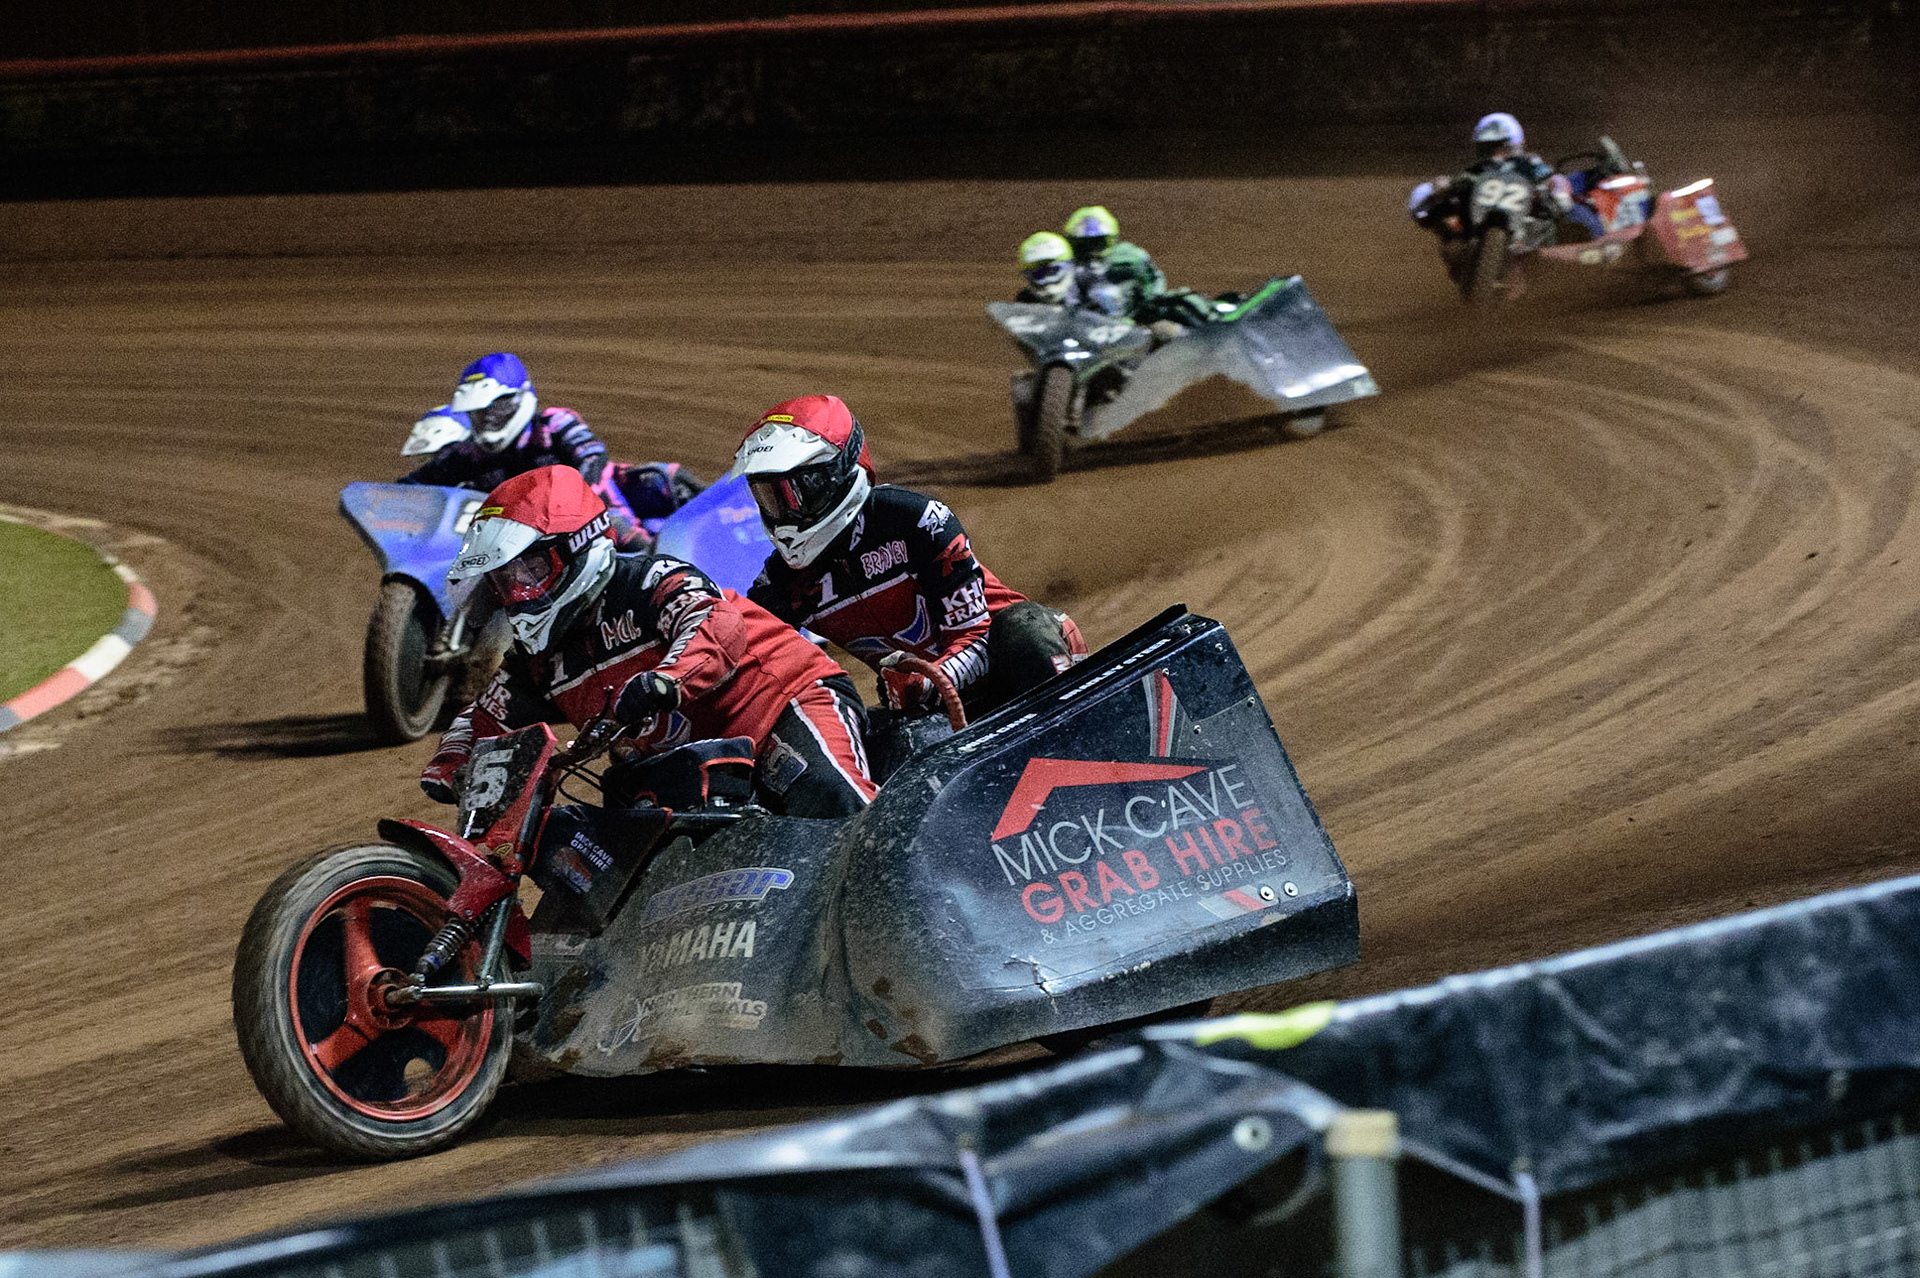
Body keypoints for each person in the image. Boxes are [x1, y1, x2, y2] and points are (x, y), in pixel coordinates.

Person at [419, 465, 876, 818]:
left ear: (576, 548)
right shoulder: (535, 660)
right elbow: (485, 715)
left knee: (835, 803)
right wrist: (451, 762)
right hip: (683, 765)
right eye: (505, 579)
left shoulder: (649, 579)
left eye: (532, 570)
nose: (519, 591)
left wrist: (666, 679)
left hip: (781, 707)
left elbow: (715, 625)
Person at [737, 395, 1085, 720]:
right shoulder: (783, 581)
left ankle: (1079, 739)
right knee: (864, 726)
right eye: (769, 498)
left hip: (1019, 660)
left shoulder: (914, 520)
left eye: (793, 494)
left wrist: (927, 682)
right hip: (934, 704)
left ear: (835, 476)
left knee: (1022, 627)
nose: (783, 514)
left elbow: (978, 636)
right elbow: (744, 657)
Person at [396, 352, 703, 550]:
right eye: (479, 412)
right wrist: (384, 500)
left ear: (520, 399)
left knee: (622, 534)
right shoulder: (470, 453)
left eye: (497, 407)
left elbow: (593, 456)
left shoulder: (554, 423)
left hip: (588, 516)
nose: (488, 418)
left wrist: (575, 499)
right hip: (520, 541)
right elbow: (414, 486)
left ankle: (663, 579)